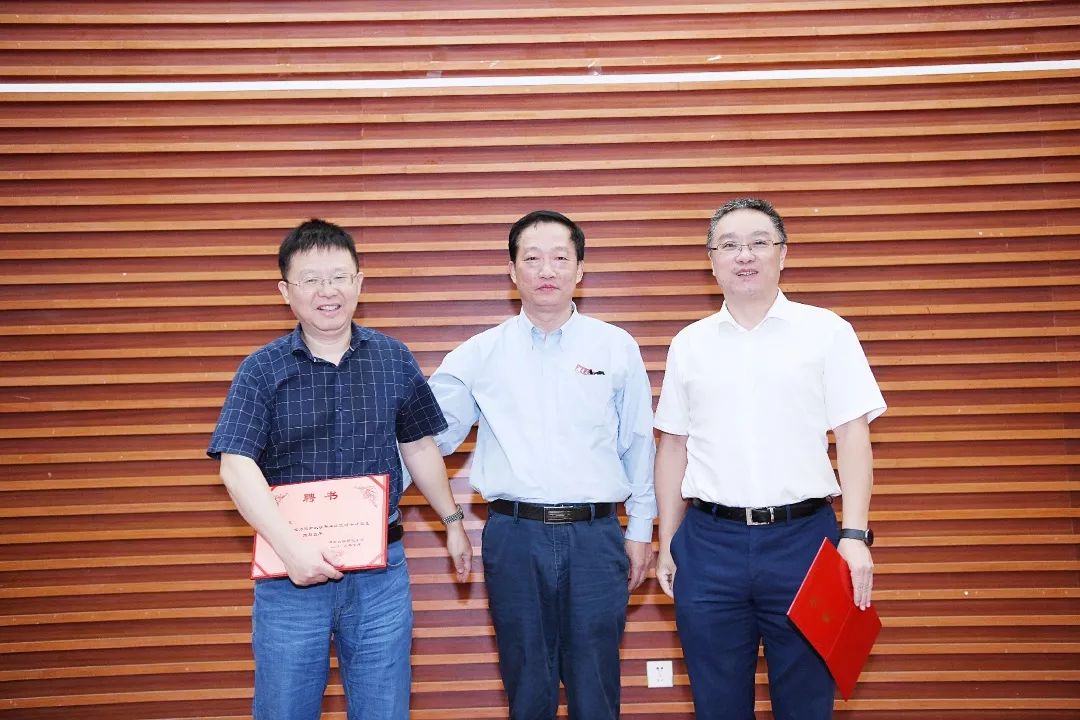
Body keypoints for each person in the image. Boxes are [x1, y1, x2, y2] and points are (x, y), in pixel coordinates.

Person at [207, 219, 471, 720]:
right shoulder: (260, 370)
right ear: (286, 291)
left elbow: (418, 445)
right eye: (310, 280)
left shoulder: (393, 358)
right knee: (284, 711)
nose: (326, 292)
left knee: (384, 710)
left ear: (359, 283)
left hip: (381, 575)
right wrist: (292, 550)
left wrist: (453, 522)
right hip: (289, 576)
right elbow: (236, 466)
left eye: (338, 277)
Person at [653, 197, 886, 720]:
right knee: (716, 705)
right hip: (709, 546)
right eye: (730, 245)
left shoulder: (827, 331)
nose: (745, 255)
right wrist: (668, 542)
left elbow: (853, 435)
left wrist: (854, 537)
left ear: (783, 253)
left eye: (759, 242)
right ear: (712, 260)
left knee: (806, 704)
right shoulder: (689, 344)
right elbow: (673, 446)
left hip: (804, 543)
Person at [428, 210, 656, 719]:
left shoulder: (615, 347)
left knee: (596, 687)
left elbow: (639, 444)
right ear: (512, 271)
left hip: (596, 537)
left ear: (580, 269)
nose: (546, 270)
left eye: (560, 258)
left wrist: (641, 528)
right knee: (527, 686)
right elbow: (428, 439)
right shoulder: (479, 353)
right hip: (515, 536)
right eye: (532, 259)